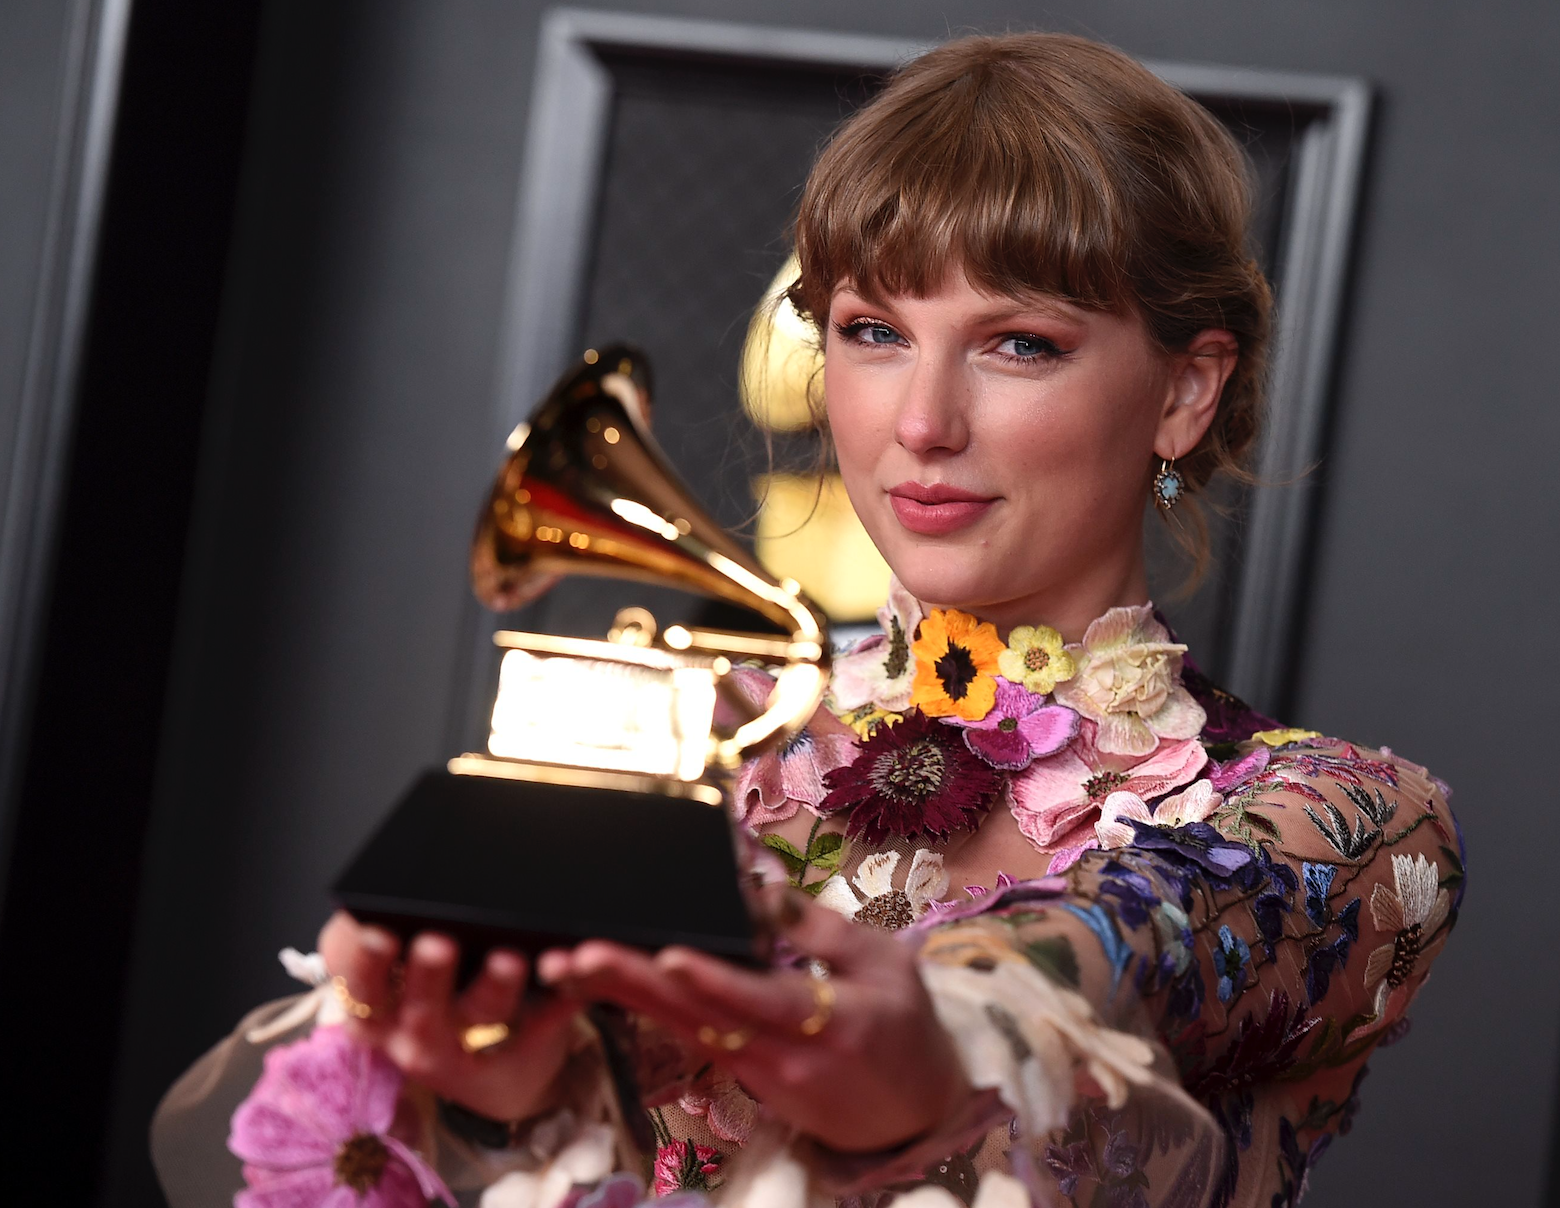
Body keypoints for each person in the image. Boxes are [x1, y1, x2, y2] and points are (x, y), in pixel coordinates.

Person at [153, 31, 1463, 1208]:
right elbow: (221, 1148)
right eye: (872, 330)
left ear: (1185, 390)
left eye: (1020, 343)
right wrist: (471, 1078)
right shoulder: (689, 745)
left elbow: (1130, 950)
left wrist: (927, 1045)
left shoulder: (1343, 823)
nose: (920, 422)